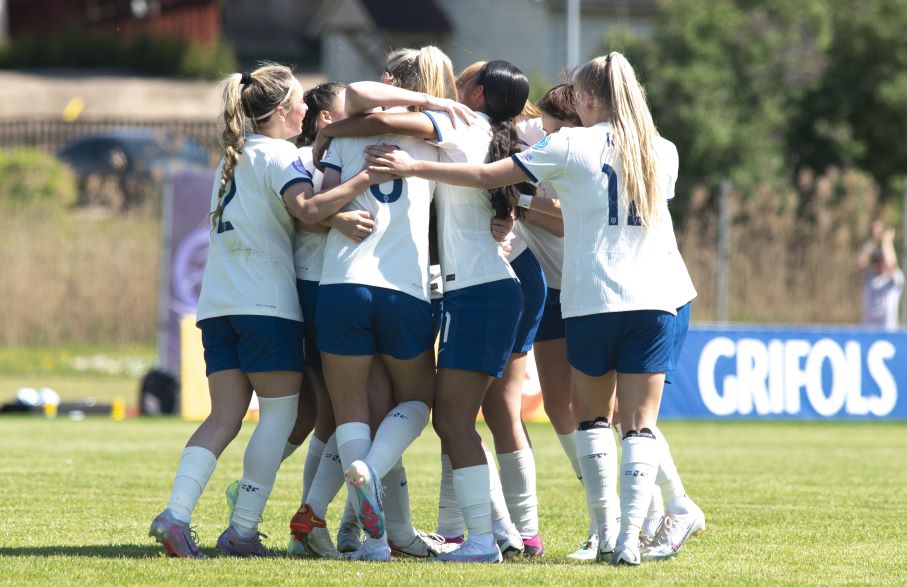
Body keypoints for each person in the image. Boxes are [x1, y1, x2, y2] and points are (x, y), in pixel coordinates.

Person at [365, 51, 697, 566]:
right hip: (656, 297)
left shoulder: (569, 144)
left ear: (585, 98)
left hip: (593, 297)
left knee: (590, 419)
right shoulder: (663, 150)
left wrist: (413, 165)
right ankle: (632, 538)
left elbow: (486, 177)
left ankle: (607, 534)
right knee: (640, 423)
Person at [292, 45, 472, 562]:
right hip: (405, 288)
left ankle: (370, 537)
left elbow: (319, 202)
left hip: (341, 284)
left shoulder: (351, 133)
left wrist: (328, 139)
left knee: (352, 411)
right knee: (414, 403)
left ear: (395, 81)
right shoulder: (440, 133)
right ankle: (369, 476)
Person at [149, 63, 314, 558]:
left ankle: (176, 515)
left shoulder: (232, 158)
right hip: (266, 304)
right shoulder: (281, 155)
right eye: (301, 102)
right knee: (280, 417)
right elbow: (306, 208)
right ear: (283, 111)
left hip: (217, 304)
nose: (307, 109)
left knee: (224, 416)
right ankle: (242, 530)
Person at [859, 221, 904, 331]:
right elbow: (860, 261)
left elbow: (892, 264)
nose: (879, 264)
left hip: (888, 331)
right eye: (876, 261)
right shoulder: (869, 276)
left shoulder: (895, 278)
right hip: (868, 330)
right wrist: (874, 240)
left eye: (881, 261)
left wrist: (886, 242)